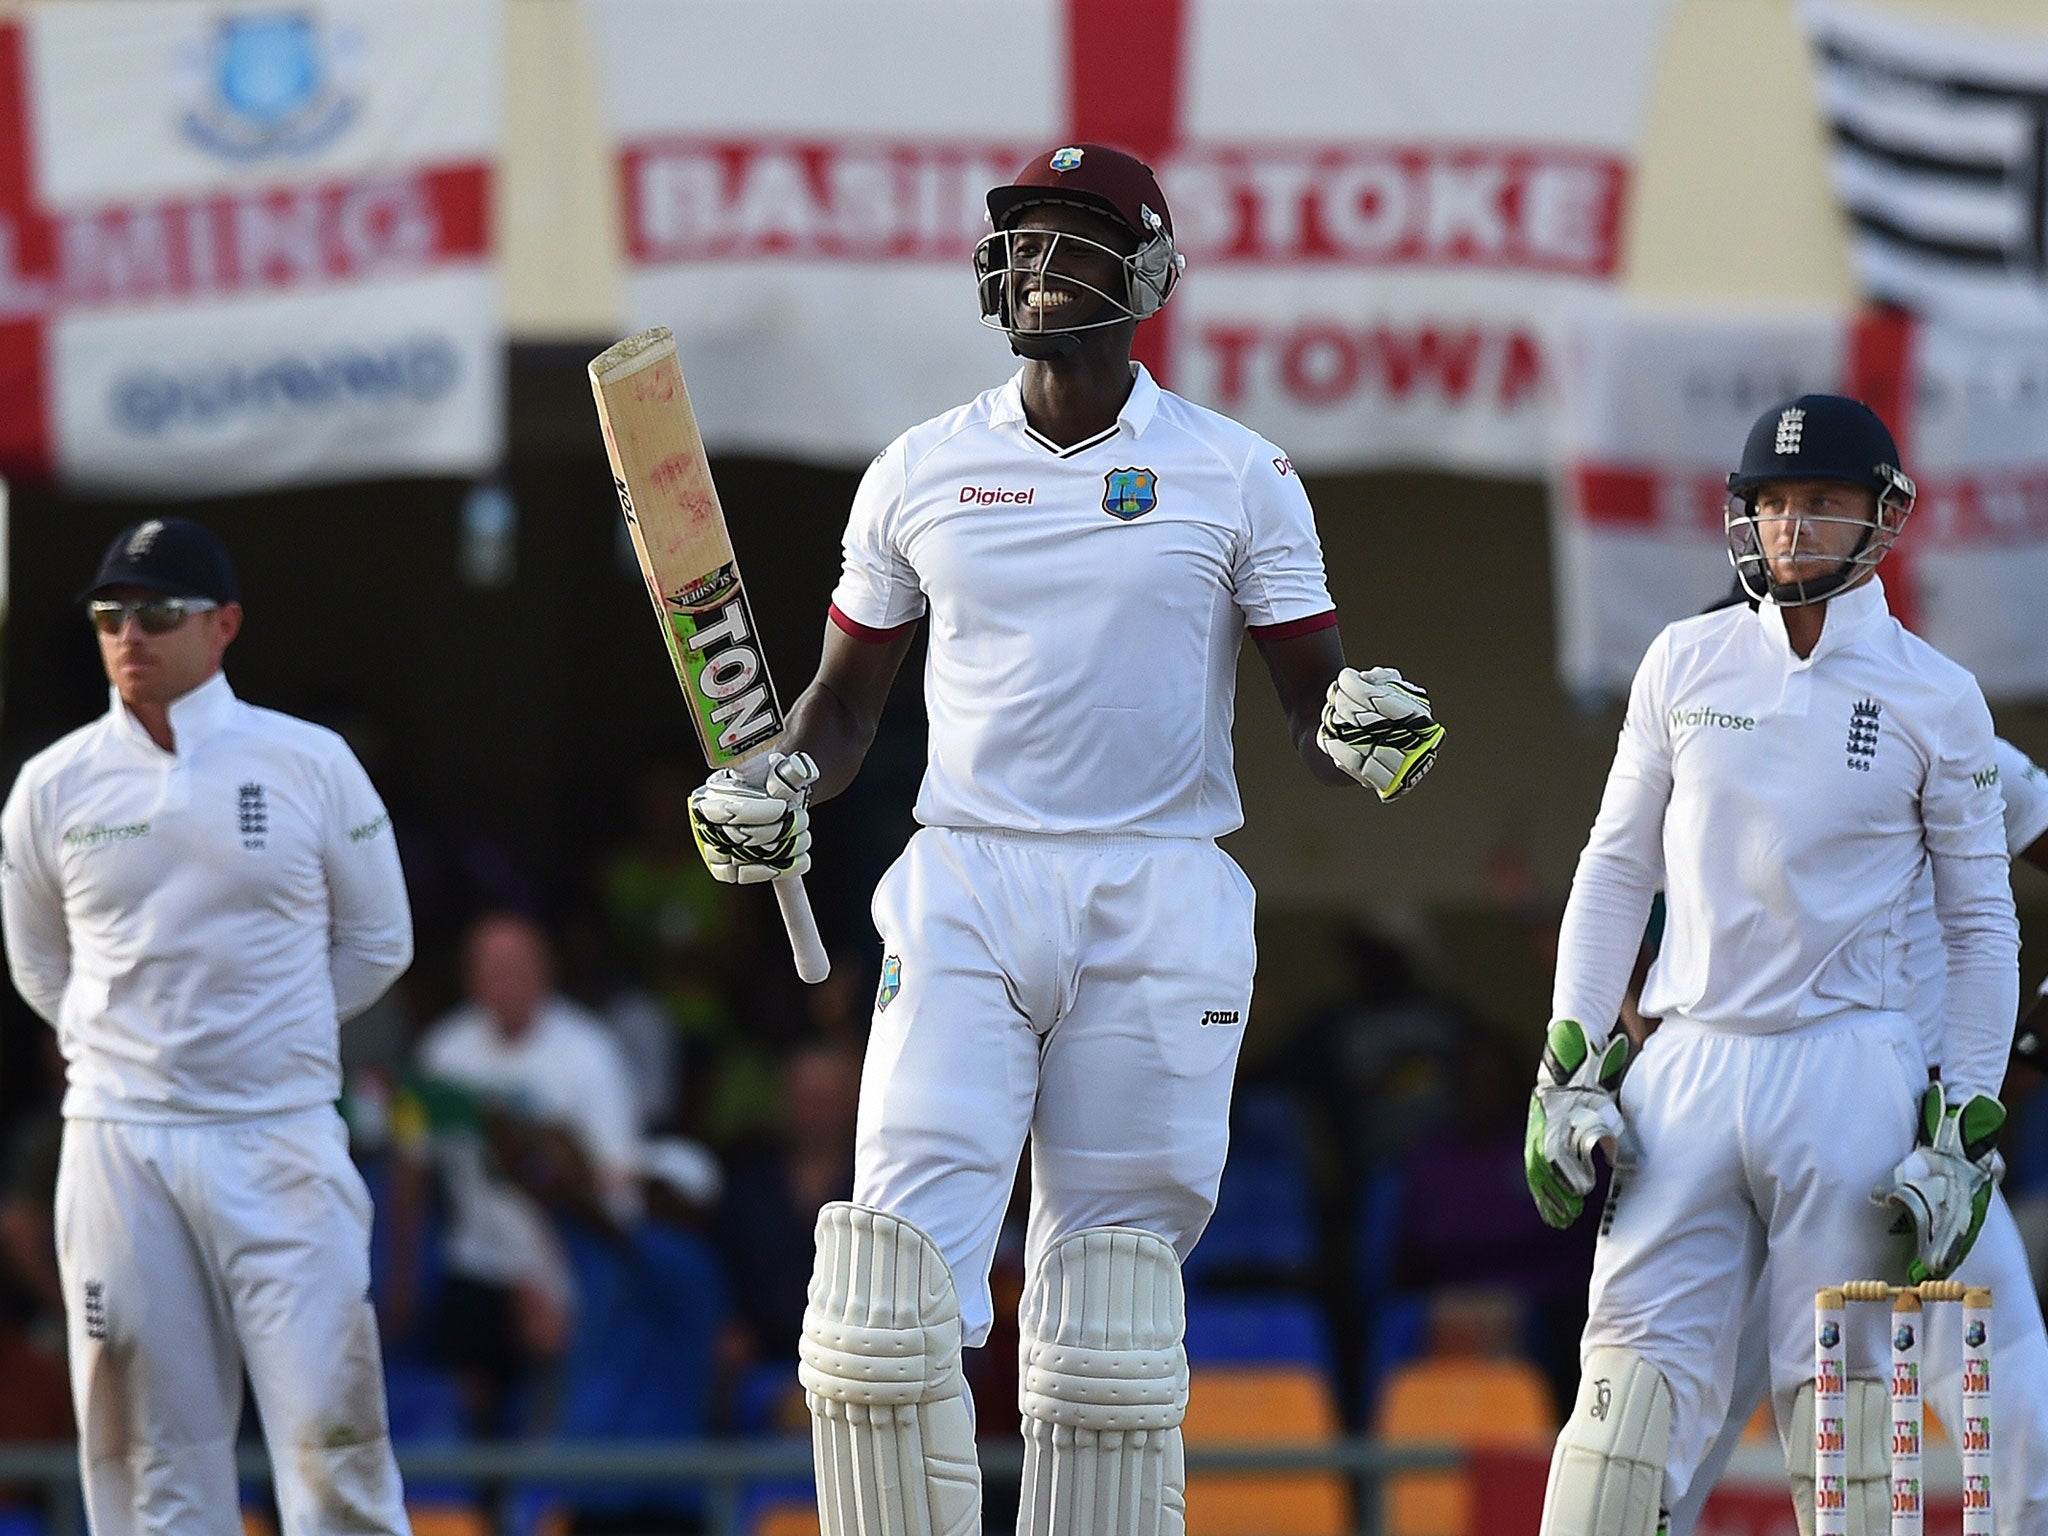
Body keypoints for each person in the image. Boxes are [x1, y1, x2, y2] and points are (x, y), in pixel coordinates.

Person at [684, 142, 1445, 1536]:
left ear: (1145, 274)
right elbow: (844, 714)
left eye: (1074, 240)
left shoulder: (1237, 473)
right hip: (968, 878)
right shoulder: (920, 470)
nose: (1038, 264)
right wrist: (777, 779)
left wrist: (1360, 729)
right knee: (889, 1293)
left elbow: (1311, 704)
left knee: (1108, 1317)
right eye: (1023, 238)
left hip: (1159, 893)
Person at [1521, 396, 2020, 1536]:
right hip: (1683, 1066)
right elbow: (1612, 872)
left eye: (1822, 503)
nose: (1791, 527)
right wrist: (1566, 1059)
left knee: (1838, 1443)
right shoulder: (1682, 659)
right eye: (1772, 502)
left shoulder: (1933, 695)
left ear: (1880, 517)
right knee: (1612, 1432)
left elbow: (1981, 924)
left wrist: (1962, 1120)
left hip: (1849, 1070)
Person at [0, 518, 415, 1536]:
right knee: (147, 1465)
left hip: (278, 1134)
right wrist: (135, 1055)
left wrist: (261, 1043)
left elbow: (378, 942)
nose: (129, 634)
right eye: (109, 615)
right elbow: (41, 968)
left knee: (334, 1445)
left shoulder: (308, 762)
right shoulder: (52, 787)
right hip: (119, 1145)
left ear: (224, 624)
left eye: (156, 612)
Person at [1667, 735, 2048, 1536]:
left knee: (2020, 1433)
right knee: (1655, 1441)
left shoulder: (1931, 720)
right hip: (1752, 1155)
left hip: (1918, 1155)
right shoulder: (1691, 741)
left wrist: (2024, 1055)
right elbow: (1631, 956)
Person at [404, 911, 643, 1435]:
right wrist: (402, 1282)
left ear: (544, 970)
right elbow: (411, 1166)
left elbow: (615, 1182)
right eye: (490, 967)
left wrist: (553, 1284)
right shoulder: (444, 1055)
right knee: (464, 1413)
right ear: (470, 977)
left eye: (516, 966)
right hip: (477, 1266)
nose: (504, 980)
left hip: (566, 1267)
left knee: (558, 1414)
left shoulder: (588, 1052)